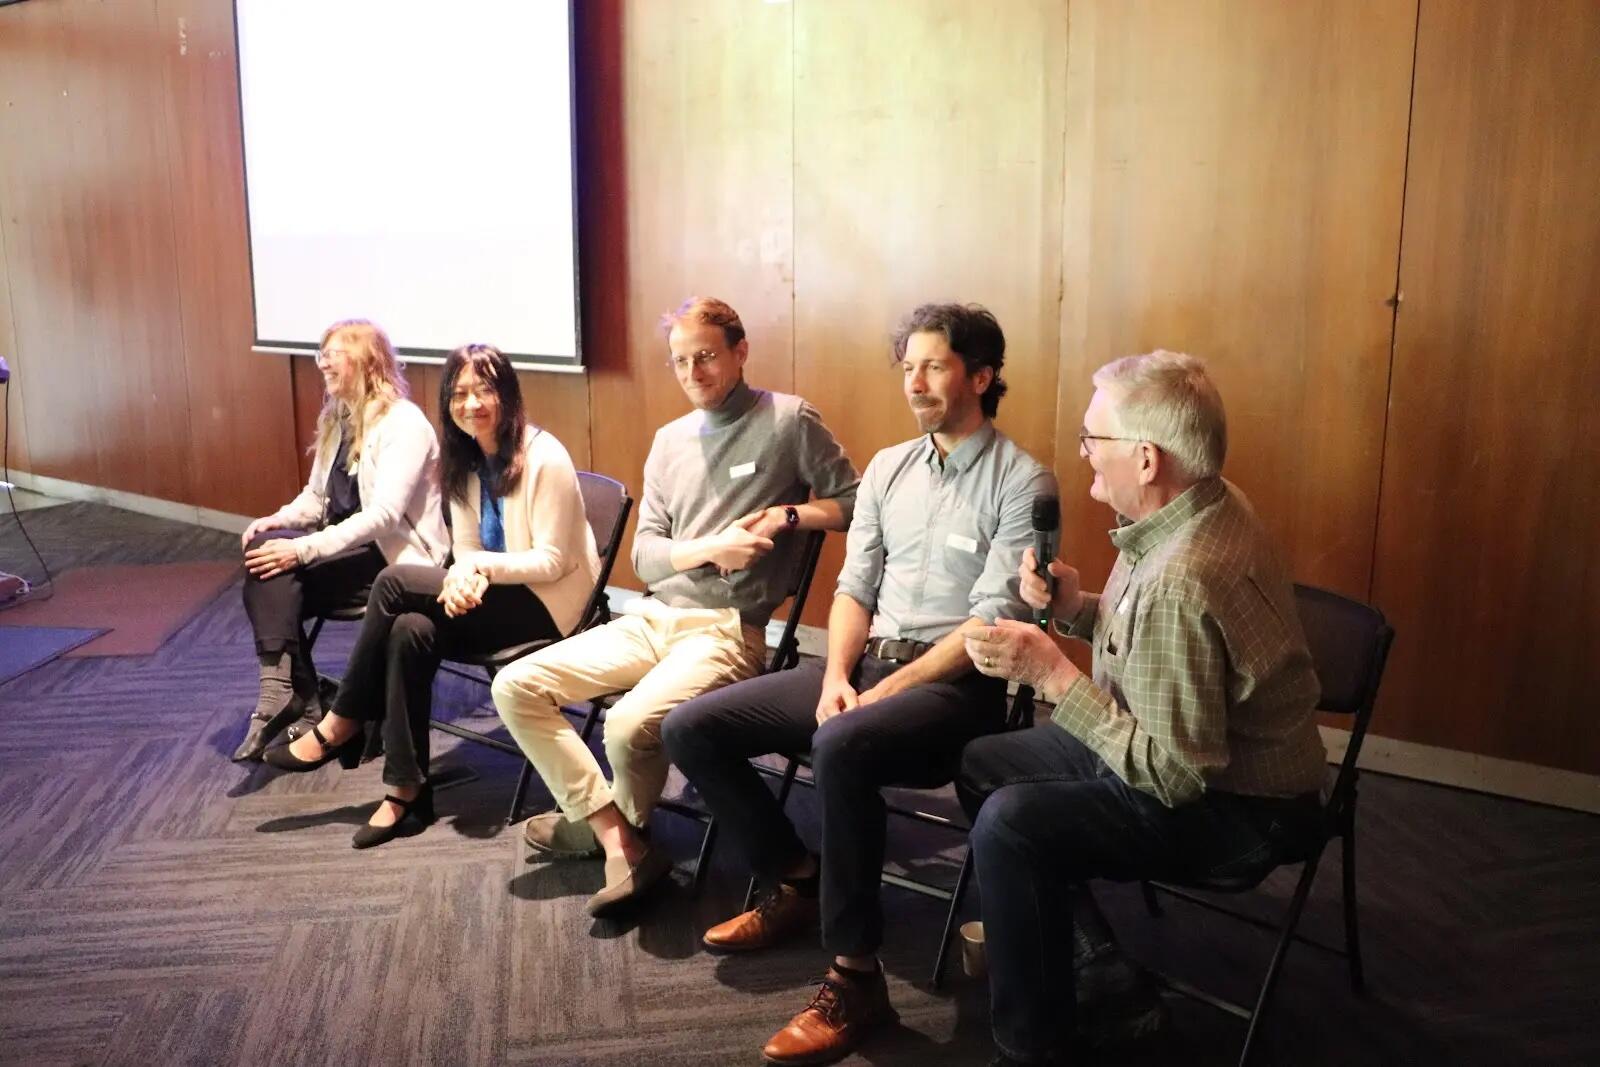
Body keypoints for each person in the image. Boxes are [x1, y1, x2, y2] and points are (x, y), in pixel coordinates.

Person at [662, 302, 1056, 1066]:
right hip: (867, 665)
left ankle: (854, 974)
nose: (915, 380)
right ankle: (798, 877)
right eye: (907, 365)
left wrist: (880, 692)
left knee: (840, 743)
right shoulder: (887, 467)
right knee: (692, 728)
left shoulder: (1022, 480)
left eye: (933, 365)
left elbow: (991, 626)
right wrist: (839, 673)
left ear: (981, 375)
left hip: (959, 689)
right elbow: (854, 588)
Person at [957, 350, 1328, 1067]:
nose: (1084, 451)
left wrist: (1057, 678)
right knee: (983, 764)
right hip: (1185, 748)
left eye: (1095, 437)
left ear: (1148, 458)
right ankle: (1101, 967)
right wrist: (1074, 607)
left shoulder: (1182, 578)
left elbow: (1176, 777)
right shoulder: (1197, 505)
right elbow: (1155, 646)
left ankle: (1035, 1045)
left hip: (1242, 805)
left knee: (1011, 824)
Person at [490, 297, 859, 915]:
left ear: (740, 352)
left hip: (727, 631)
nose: (693, 373)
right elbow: (645, 558)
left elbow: (854, 502)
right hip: (653, 615)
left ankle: (611, 831)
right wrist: (710, 547)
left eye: (707, 356)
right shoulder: (668, 441)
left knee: (629, 724)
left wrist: (790, 515)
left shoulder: (789, 421)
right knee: (515, 684)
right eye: (680, 362)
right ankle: (613, 827)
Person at [264, 344, 600, 848]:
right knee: (409, 629)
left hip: (549, 604)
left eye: (485, 390)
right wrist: (465, 574)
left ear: (507, 393)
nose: (472, 404)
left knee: (394, 582)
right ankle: (406, 792)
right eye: (460, 394)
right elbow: (464, 546)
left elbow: (553, 561)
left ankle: (342, 721)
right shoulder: (464, 459)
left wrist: (476, 569)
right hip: (492, 594)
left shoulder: (544, 457)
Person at [232, 319, 447, 763]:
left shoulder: (404, 424)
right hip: (347, 549)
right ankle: (291, 694)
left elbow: (384, 517)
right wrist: (277, 521)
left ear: (368, 362)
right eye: (322, 354)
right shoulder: (337, 417)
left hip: (395, 560)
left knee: (279, 568)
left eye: (335, 354)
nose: (323, 363)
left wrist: (303, 548)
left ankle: (298, 700)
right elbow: (317, 498)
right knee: (263, 560)